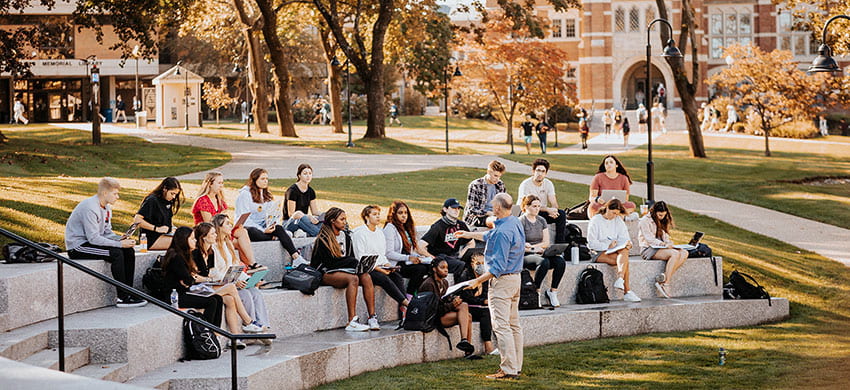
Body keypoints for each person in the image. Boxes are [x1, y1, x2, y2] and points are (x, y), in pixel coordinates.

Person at [458, 193, 525, 380]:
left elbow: (497, 268)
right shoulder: (513, 222)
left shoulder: (503, 232)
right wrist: (469, 234)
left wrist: (477, 281)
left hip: (502, 282)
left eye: (493, 204)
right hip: (515, 279)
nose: (491, 207)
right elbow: (491, 235)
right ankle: (516, 365)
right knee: (513, 326)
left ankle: (508, 369)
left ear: (497, 208)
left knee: (502, 327)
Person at [65, 178, 146, 308]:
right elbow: (93, 238)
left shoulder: (107, 208)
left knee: (128, 250)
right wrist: (119, 245)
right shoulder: (90, 207)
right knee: (117, 253)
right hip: (79, 247)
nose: (117, 197)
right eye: (115, 194)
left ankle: (130, 292)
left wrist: (120, 239)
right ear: (104, 193)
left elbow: (106, 232)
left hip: (91, 242)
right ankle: (123, 297)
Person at [191, 223, 263, 349]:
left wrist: (212, 279)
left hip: (209, 285)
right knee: (231, 287)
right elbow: (195, 277)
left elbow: (209, 275)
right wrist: (211, 279)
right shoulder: (196, 253)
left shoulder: (210, 252)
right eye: (212, 233)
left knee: (230, 299)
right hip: (196, 289)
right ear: (204, 237)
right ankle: (248, 321)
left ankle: (235, 338)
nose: (215, 235)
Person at [310, 207, 378, 332]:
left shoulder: (346, 236)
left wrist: (358, 265)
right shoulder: (323, 238)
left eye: (345, 219)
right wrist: (352, 263)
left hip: (342, 270)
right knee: (353, 279)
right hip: (325, 273)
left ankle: (372, 317)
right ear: (332, 221)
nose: (345, 222)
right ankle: (352, 321)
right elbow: (329, 263)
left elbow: (350, 257)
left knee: (366, 276)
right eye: (342, 219)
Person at [211, 214, 271, 341]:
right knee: (246, 295)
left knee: (255, 292)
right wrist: (235, 281)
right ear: (219, 227)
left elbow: (236, 267)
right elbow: (214, 273)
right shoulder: (213, 247)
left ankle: (262, 327)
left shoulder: (228, 245)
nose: (230, 226)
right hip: (223, 283)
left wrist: (248, 279)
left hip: (234, 280)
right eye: (227, 223)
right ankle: (251, 328)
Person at [192, 172, 261, 269]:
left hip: (221, 231)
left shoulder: (220, 201)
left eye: (222, 183)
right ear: (210, 184)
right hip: (208, 233)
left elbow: (224, 220)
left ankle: (251, 263)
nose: (221, 185)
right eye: (219, 183)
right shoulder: (203, 201)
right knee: (239, 244)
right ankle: (246, 267)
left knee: (242, 231)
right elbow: (209, 225)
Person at [235, 168, 302, 266]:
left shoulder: (266, 195)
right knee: (253, 231)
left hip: (264, 228)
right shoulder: (245, 195)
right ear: (254, 180)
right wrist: (263, 230)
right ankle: (278, 237)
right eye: (262, 179)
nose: (265, 181)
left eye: (266, 179)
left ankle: (296, 257)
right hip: (247, 227)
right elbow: (245, 220)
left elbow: (271, 215)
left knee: (278, 228)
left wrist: (272, 225)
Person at [161, 227, 224, 327]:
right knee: (211, 302)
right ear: (184, 240)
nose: (195, 241)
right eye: (192, 239)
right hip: (176, 296)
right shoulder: (176, 256)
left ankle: (216, 332)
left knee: (218, 298)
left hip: (185, 291)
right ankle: (205, 332)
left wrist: (189, 280)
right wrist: (189, 280)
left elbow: (189, 279)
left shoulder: (186, 255)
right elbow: (189, 279)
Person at [352, 205, 409, 313]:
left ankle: (403, 307)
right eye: (374, 214)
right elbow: (360, 257)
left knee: (397, 277)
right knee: (383, 278)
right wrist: (380, 269)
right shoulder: (359, 233)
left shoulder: (379, 233)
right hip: (366, 268)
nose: (378, 217)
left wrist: (388, 266)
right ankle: (406, 303)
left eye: (378, 214)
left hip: (380, 266)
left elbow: (382, 255)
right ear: (366, 217)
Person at [418, 258, 476, 357]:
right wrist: (452, 305)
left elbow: (443, 300)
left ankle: (465, 344)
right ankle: (466, 346)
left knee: (465, 308)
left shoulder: (444, 282)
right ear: (434, 269)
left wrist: (453, 300)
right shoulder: (429, 284)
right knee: (467, 316)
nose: (446, 270)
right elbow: (434, 310)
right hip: (432, 318)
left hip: (442, 313)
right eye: (442, 267)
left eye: (447, 268)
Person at [587, 199, 640, 302]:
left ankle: (620, 279)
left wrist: (628, 244)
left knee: (624, 250)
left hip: (614, 250)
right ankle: (627, 291)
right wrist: (608, 246)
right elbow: (591, 243)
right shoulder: (596, 220)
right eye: (613, 213)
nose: (615, 216)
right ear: (607, 208)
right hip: (598, 252)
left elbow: (624, 237)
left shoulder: (617, 220)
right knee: (625, 262)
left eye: (617, 214)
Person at [519, 195, 566, 307]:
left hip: (539, 252)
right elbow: (519, 244)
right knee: (544, 262)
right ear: (526, 207)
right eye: (534, 206)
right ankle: (536, 290)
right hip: (525, 255)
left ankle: (553, 291)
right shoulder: (521, 221)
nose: (537, 209)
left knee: (560, 261)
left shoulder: (541, 220)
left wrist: (538, 248)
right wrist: (533, 249)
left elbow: (546, 242)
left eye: (539, 206)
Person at [638, 201, 687, 299]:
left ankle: (663, 276)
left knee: (684, 252)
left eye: (664, 215)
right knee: (674, 254)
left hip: (661, 247)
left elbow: (665, 237)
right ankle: (666, 284)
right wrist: (663, 244)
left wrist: (669, 243)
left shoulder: (663, 220)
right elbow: (649, 239)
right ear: (654, 212)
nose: (661, 217)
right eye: (660, 215)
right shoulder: (644, 220)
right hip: (648, 249)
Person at [420, 198, 475, 281]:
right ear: (445, 209)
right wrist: (434, 258)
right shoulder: (438, 226)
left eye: (458, 208)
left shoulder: (461, 225)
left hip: (454, 257)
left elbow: (471, 243)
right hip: (441, 257)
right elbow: (419, 246)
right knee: (461, 265)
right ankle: (459, 291)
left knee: (476, 264)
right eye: (453, 208)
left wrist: (461, 254)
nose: (456, 211)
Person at [384, 200, 431, 296]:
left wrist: (417, 257)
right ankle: (410, 295)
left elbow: (408, 251)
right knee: (420, 269)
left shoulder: (406, 229)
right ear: (393, 214)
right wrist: (408, 258)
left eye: (406, 213)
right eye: (400, 213)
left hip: (405, 261)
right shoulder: (390, 228)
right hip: (395, 264)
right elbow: (388, 253)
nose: (404, 216)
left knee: (430, 265)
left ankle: (425, 293)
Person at [517, 158, 568, 244]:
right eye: (538, 170)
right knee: (531, 212)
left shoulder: (548, 184)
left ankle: (559, 246)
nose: (540, 174)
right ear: (533, 171)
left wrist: (554, 211)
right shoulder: (525, 184)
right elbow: (525, 205)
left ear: (546, 173)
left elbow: (554, 203)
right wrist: (547, 209)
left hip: (540, 212)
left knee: (561, 214)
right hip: (527, 212)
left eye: (543, 171)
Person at [456, 252, 497, 355]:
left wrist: (484, 300)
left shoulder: (484, 277)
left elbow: (486, 293)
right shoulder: (465, 275)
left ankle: (494, 343)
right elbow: (466, 297)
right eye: (478, 263)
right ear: (472, 264)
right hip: (467, 308)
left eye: (483, 263)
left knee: (487, 311)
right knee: (485, 311)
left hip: (480, 307)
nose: (481, 265)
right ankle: (488, 345)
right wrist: (482, 301)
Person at [134, 177, 183, 251]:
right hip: (151, 239)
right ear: (164, 189)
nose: (174, 197)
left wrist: (173, 228)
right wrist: (156, 229)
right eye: (172, 193)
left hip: (165, 235)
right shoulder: (152, 200)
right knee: (183, 243)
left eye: (176, 194)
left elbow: (166, 219)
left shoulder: (167, 201)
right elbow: (137, 220)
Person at [464, 160, 507, 227]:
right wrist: (488, 213)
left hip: (495, 215)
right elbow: (472, 209)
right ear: (488, 172)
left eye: (499, 176)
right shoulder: (476, 185)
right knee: (496, 222)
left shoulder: (500, 184)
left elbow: (503, 204)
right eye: (495, 176)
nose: (497, 179)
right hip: (477, 217)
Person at [283, 164, 322, 237]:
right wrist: (308, 217)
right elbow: (291, 214)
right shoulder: (292, 191)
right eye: (305, 173)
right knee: (300, 216)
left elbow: (315, 212)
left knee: (322, 222)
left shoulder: (311, 191)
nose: (308, 176)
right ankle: (320, 235)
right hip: (290, 222)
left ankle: (303, 233)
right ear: (299, 175)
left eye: (310, 173)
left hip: (304, 221)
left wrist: (326, 215)